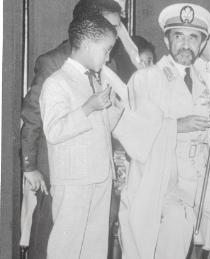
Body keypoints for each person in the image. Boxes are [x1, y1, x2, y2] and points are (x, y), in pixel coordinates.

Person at [114, 3, 210, 259]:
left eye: (193, 38)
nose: (186, 44)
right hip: (164, 173)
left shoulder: (206, 80)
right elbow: (130, 128)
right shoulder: (147, 79)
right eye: (179, 36)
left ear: (201, 44)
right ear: (167, 40)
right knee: (179, 224)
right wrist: (176, 126)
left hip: (200, 171)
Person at [19, 1, 130, 258]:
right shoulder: (57, 82)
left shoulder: (95, 78)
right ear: (90, 46)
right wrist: (88, 108)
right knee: (66, 247)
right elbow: (55, 131)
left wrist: (116, 108)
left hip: (100, 176)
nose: (109, 57)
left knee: (95, 247)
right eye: (106, 50)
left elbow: (102, 128)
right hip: (73, 180)